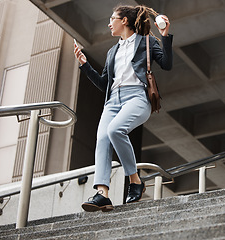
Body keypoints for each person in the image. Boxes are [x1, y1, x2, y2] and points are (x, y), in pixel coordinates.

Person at [74, 5, 173, 212]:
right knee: (102, 139)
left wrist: (164, 36)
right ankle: (102, 194)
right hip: (112, 101)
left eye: (112, 19)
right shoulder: (113, 51)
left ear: (124, 21)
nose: (109, 23)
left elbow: (166, 64)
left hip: (137, 97)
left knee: (114, 130)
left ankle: (135, 180)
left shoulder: (146, 41)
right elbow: (104, 84)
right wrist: (85, 65)